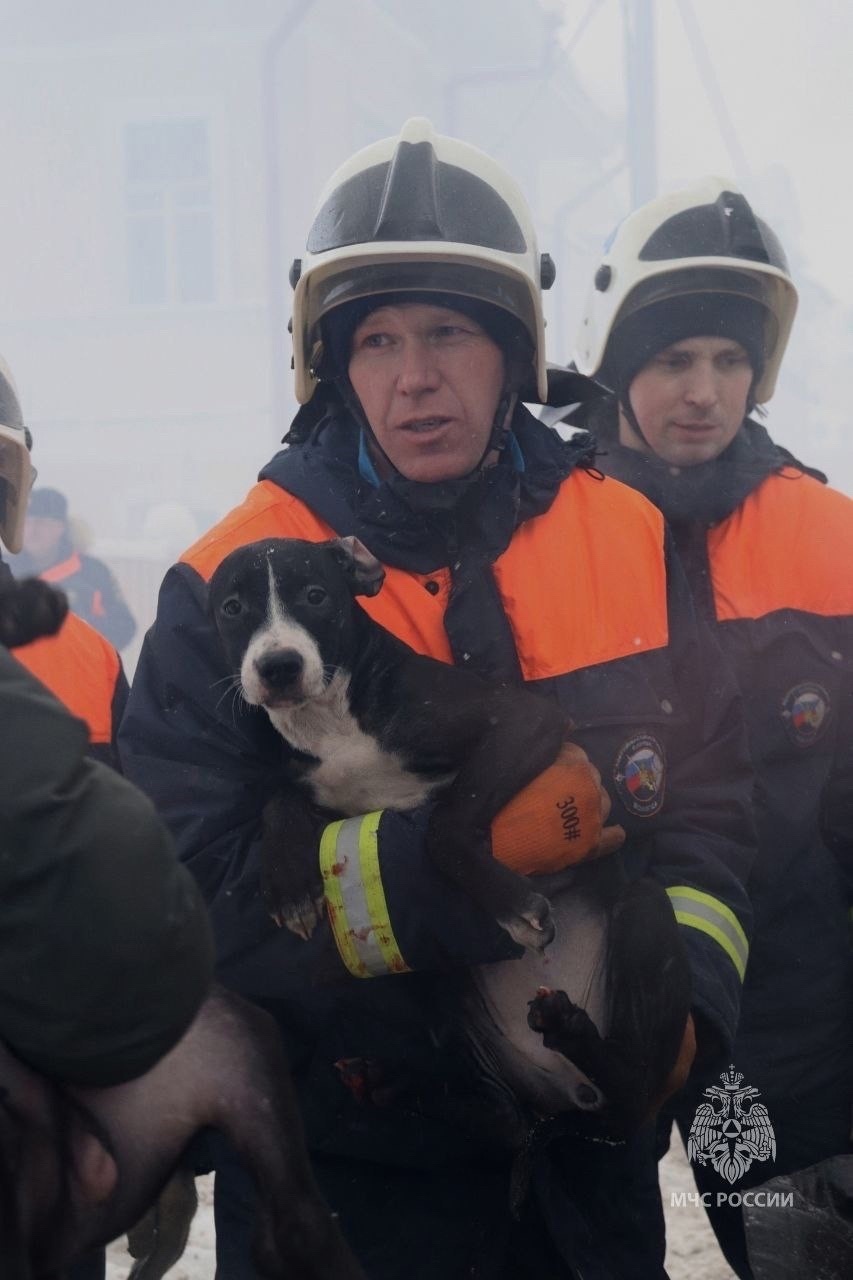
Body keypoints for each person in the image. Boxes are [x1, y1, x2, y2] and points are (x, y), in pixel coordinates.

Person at [120, 120, 756, 1279]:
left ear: (515, 349)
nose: (413, 376)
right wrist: (434, 873)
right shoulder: (224, 590)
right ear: (332, 363)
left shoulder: (633, 537)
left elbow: (711, 798)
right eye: (376, 340)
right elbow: (185, 914)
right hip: (351, 1197)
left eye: (450, 332)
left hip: (585, 1198)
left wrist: (691, 1013)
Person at [565, 176, 853, 1278]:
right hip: (583, 1008)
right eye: (673, 358)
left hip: (783, 1024)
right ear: (617, 365)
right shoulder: (546, 535)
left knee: (793, 1252)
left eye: (728, 361)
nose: (703, 390)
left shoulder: (827, 538)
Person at [13, 485, 137, 652]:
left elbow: (124, 626)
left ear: (61, 528)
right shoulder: (6, 570)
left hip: (75, 670)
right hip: (17, 674)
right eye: (27, 522)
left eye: (42, 523)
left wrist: (81, 634)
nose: (32, 530)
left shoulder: (92, 573)